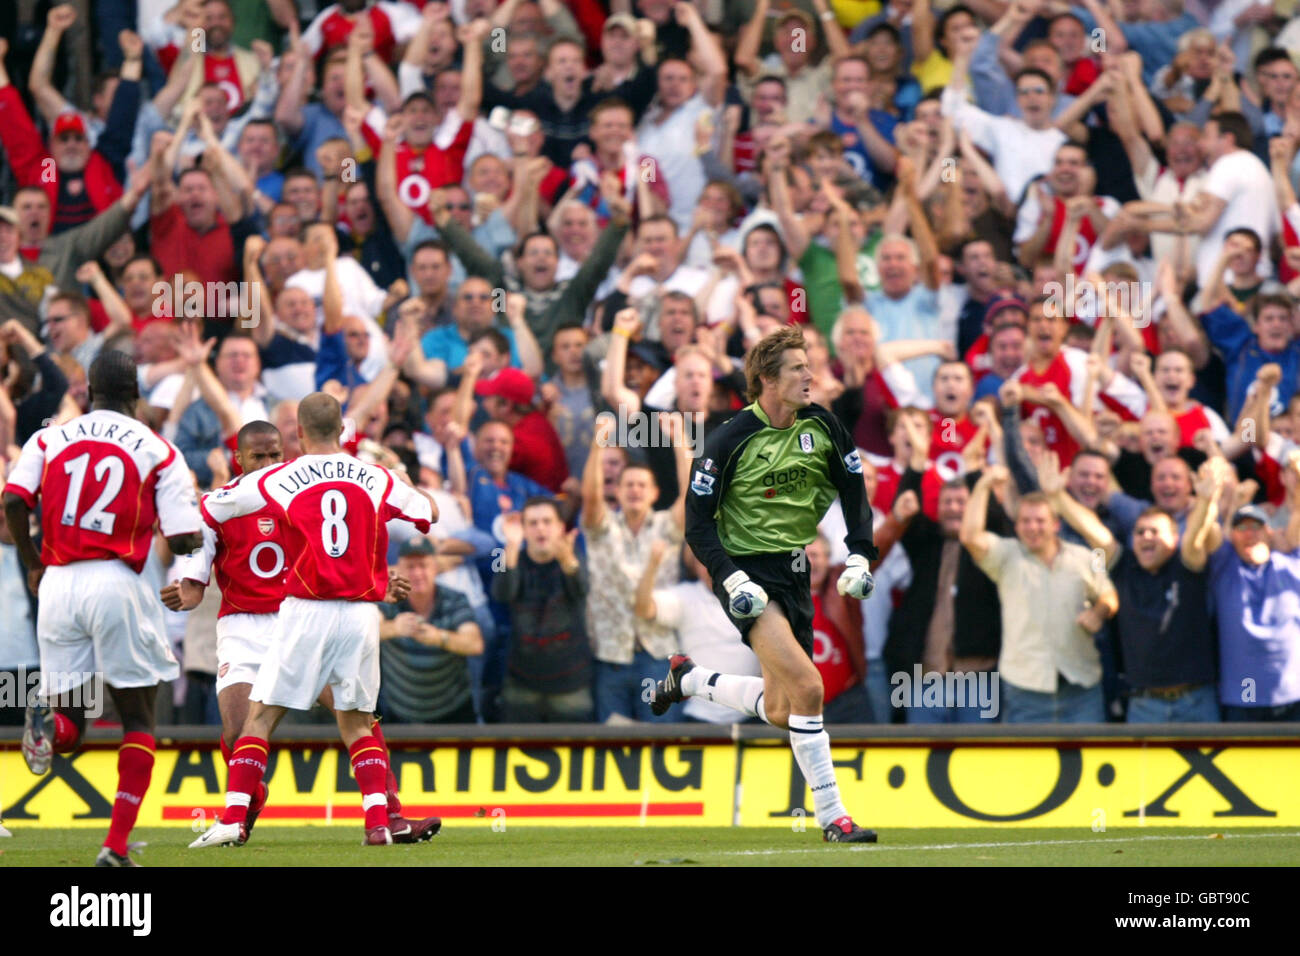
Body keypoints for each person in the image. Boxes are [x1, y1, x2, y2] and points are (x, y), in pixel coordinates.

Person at [161, 421, 441, 843]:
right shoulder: (222, 505)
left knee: (360, 716)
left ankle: (391, 814)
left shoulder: (296, 488)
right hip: (244, 625)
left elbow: (342, 547)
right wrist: (188, 588)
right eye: (259, 457)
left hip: (304, 619)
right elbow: (196, 577)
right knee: (239, 733)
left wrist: (379, 585)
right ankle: (249, 802)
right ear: (239, 459)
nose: (269, 463)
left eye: (275, 454)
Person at [655, 326, 879, 843]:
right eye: (798, 368)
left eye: (808, 365)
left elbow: (854, 491)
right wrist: (730, 578)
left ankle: (690, 681)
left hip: (796, 570)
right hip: (746, 571)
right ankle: (835, 818)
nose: (810, 375)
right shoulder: (729, 439)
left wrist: (860, 556)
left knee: (782, 709)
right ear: (766, 381)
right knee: (809, 688)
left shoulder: (824, 425)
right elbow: (696, 522)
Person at [2, 351, 204, 866]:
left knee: (72, 722)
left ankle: (50, 725)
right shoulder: (158, 449)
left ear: (88, 391)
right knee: (138, 715)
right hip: (118, 581)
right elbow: (182, 540)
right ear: (136, 394)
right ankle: (115, 846)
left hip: (58, 582)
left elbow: (11, 500)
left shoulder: (48, 438)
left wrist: (32, 562)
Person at [960, 465, 1119, 723]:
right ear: (1017, 525)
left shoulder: (1085, 557)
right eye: (1025, 521)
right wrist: (982, 486)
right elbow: (969, 536)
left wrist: (1099, 612)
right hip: (1025, 690)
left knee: (1088, 760)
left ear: (1055, 524)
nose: (1033, 527)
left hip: (1081, 687)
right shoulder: (1005, 555)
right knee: (1025, 765)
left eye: (1040, 520)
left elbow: (1110, 596)